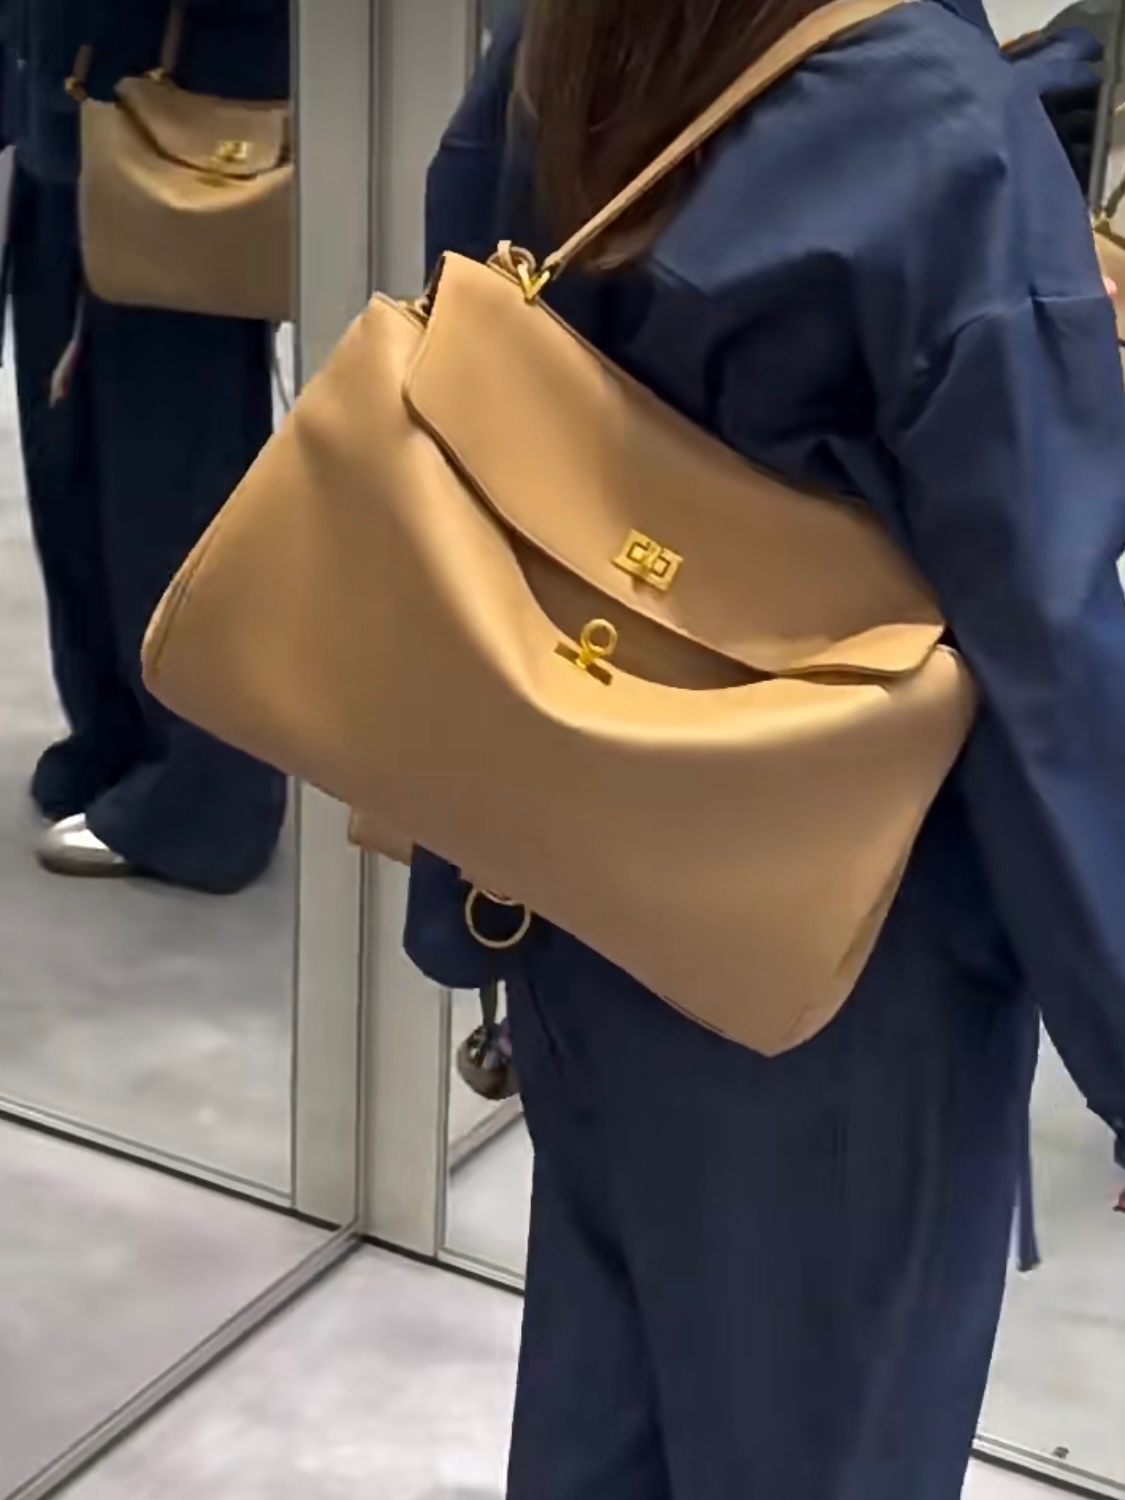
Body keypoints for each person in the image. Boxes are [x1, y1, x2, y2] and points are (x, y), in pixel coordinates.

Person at [410, 2, 1125, 1496]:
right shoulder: (940, 132)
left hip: (584, 889)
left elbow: (468, 420)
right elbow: (1046, 651)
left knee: (603, 1426)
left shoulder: (578, 34)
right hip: (845, 957)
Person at [0, 0, 288, 892]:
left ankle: (209, 793)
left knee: (175, 462)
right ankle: (119, 732)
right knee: (71, 452)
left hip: (182, 114)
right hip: (66, 88)